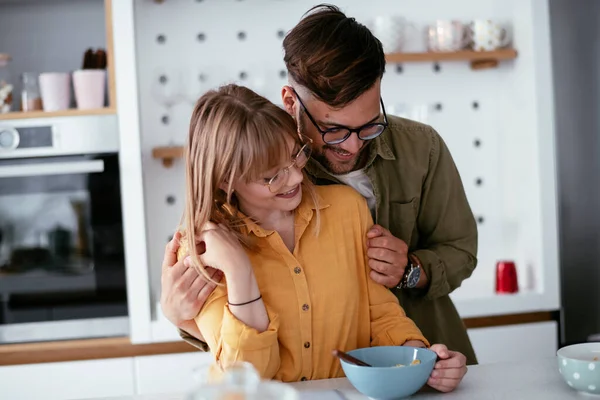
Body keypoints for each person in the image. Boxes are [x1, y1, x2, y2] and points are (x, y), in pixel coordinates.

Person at [161, 3, 476, 390]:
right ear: (291, 103)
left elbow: (457, 253)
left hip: (415, 358)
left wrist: (410, 271)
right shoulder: (245, 185)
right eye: (335, 130)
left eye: (370, 125)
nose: (355, 144)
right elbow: (237, 371)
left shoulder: (415, 151)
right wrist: (183, 317)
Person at [177, 83, 438, 383]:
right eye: (272, 175)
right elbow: (245, 379)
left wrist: (420, 358)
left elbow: (381, 315)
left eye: (295, 156)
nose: (297, 176)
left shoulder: (348, 210)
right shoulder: (200, 250)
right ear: (225, 181)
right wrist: (239, 271)